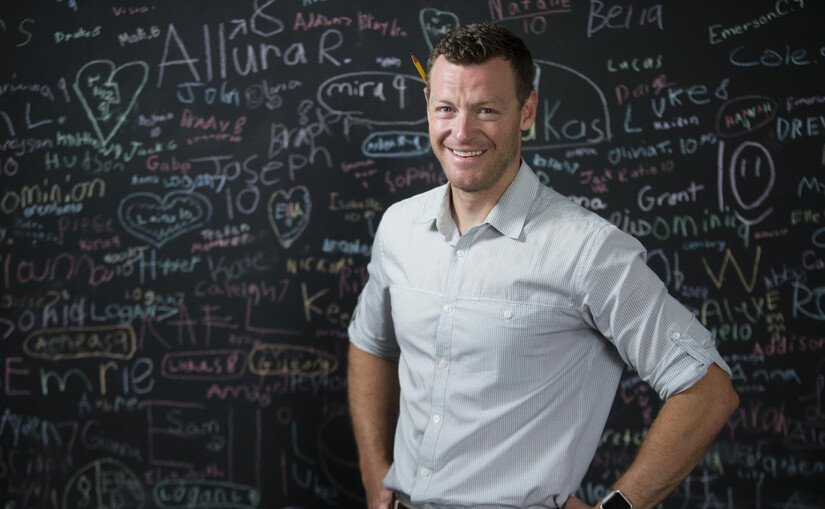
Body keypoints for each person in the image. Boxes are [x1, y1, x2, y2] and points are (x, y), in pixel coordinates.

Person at [347, 22, 738, 509]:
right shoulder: (399, 229)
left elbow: (707, 390)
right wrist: (372, 472)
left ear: (526, 111)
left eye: (486, 110)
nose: (462, 132)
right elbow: (370, 342)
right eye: (446, 108)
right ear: (427, 104)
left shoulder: (589, 250)